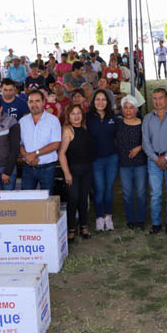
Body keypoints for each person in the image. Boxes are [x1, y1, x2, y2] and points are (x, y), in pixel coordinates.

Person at [143, 88, 167, 234]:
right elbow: (145, 142)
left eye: (160, 98)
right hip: (153, 160)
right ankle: (156, 223)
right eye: (154, 98)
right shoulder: (147, 118)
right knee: (155, 194)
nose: (157, 101)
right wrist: (156, 159)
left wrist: (165, 158)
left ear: (166, 100)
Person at [58, 103, 95, 242]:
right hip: (72, 171)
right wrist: (67, 173)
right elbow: (61, 154)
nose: (76, 116)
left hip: (86, 170)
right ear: (68, 116)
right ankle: (71, 229)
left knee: (83, 199)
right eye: (73, 113)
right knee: (73, 199)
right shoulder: (68, 130)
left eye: (78, 113)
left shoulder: (85, 127)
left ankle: (84, 227)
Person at [18, 90, 62, 193]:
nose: (34, 104)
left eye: (37, 101)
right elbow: (19, 143)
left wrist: (34, 154)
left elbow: (55, 144)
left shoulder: (53, 120)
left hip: (47, 168)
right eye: (31, 101)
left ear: (43, 102)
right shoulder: (22, 121)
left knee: (46, 201)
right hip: (28, 168)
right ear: (27, 103)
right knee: (26, 200)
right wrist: (27, 156)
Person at [87, 89, 118, 232]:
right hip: (96, 159)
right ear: (93, 102)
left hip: (112, 158)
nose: (100, 102)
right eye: (97, 99)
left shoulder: (114, 117)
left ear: (108, 102)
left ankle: (108, 216)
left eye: (103, 100)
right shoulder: (88, 118)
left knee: (109, 188)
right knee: (99, 189)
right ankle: (99, 217)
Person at [116, 96, 147, 229]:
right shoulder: (118, 123)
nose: (128, 111)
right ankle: (130, 219)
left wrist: (139, 148)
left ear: (136, 109)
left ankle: (141, 219)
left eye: (131, 108)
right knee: (127, 193)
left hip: (140, 163)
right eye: (126, 108)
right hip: (124, 164)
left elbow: (149, 140)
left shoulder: (143, 122)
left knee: (140, 193)